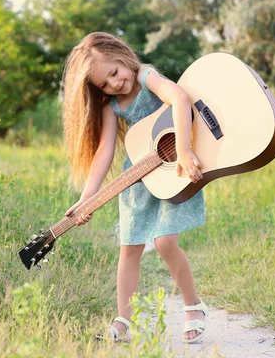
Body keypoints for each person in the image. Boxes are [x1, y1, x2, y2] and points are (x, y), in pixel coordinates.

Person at [61, 32, 208, 343]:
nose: (114, 84)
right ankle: (122, 320)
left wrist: (182, 149)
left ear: (122, 56)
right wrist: (88, 197)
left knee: (166, 243)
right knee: (129, 249)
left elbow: (180, 98)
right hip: (138, 179)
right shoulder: (111, 105)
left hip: (174, 169)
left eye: (114, 73)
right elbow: (105, 150)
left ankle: (194, 306)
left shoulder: (147, 76)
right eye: (104, 83)